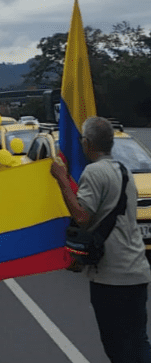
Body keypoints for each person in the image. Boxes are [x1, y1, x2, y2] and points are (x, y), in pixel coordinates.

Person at [51, 116, 151, 362]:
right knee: (138, 341)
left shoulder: (94, 172)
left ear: (87, 143)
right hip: (136, 270)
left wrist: (62, 180)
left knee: (117, 346)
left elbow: (83, 215)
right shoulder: (124, 171)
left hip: (112, 276)